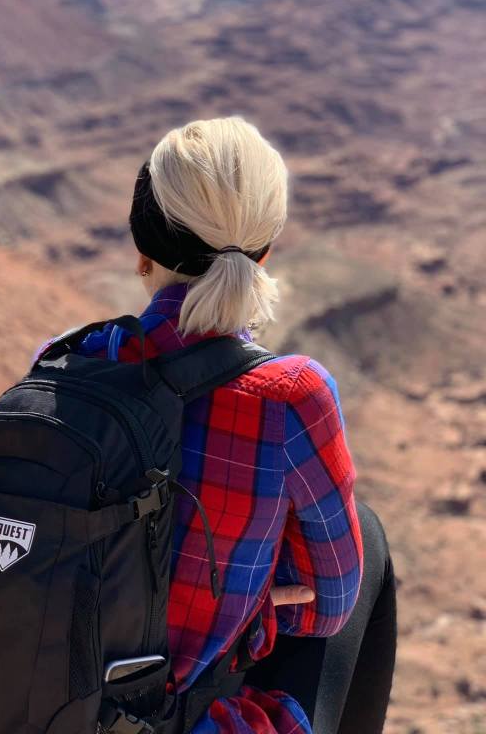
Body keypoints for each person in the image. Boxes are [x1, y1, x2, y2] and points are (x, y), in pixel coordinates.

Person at [34, 116, 396, 734]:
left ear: (142, 248)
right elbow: (330, 609)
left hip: (48, 709)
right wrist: (246, 604)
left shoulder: (62, 364)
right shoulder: (291, 395)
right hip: (179, 722)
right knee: (366, 534)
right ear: (265, 251)